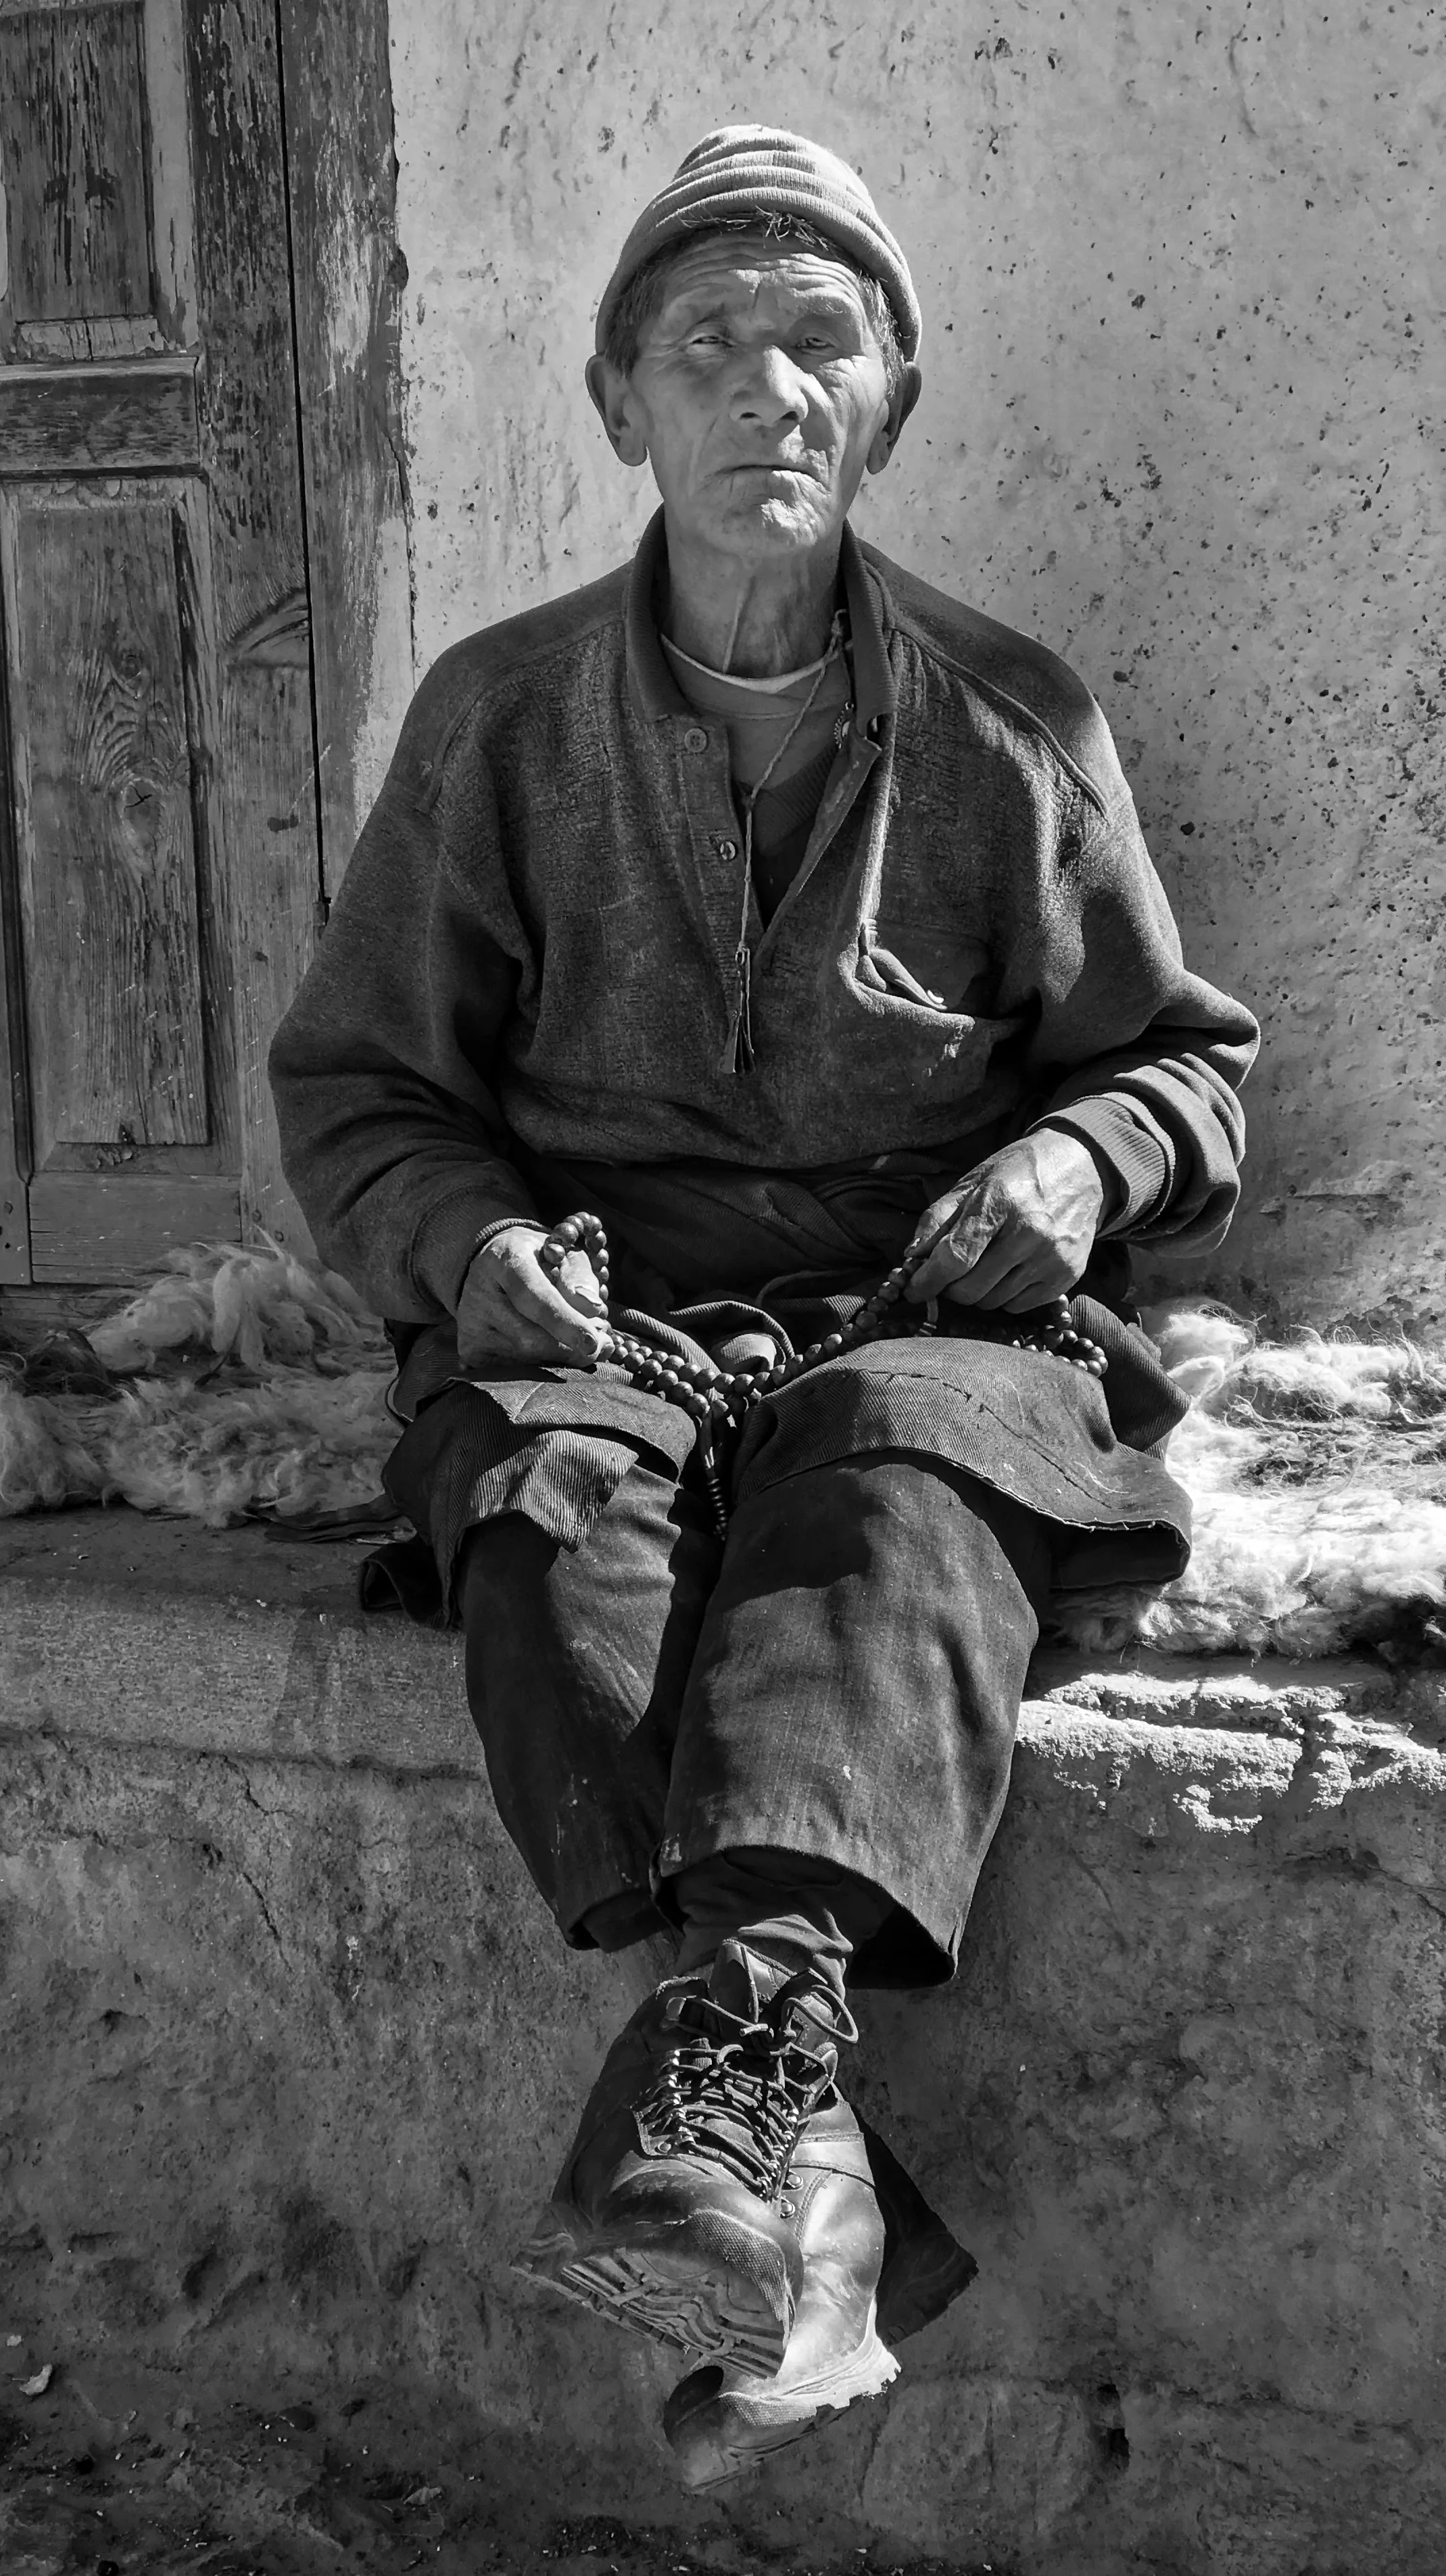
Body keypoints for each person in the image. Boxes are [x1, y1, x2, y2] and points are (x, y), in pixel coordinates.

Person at [270, 126, 1258, 2487]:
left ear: (890, 399)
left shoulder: (1013, 723)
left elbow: (1183, 1070)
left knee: (899, 1499)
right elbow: (366, 1093)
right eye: (709, 341)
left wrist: (1064, 1157)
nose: (771, 387)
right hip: (597, 1317)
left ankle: (739, 2126)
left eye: (824, 341)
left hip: (922, 1316)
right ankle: (789, 2185)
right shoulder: (496, 724)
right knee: (543, 1524)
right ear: (619, 399)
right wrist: (467, 1254)